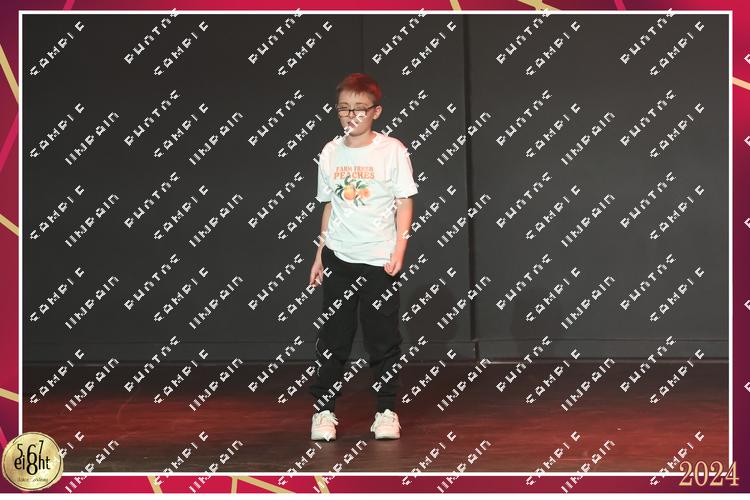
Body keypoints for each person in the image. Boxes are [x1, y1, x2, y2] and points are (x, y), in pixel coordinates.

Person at [308, 73, 418, 441]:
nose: (351, 115)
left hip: (379, 261)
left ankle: (386, 411)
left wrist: (399, 250)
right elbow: (329, 206)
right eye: (344, 109)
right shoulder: (330, 152)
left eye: (359, 108)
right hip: (339, 257)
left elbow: (404, 202)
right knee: (333, 338)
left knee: (382, 339)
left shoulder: (392, 150)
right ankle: (324, 411)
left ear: (375, 111)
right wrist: (320, 254)